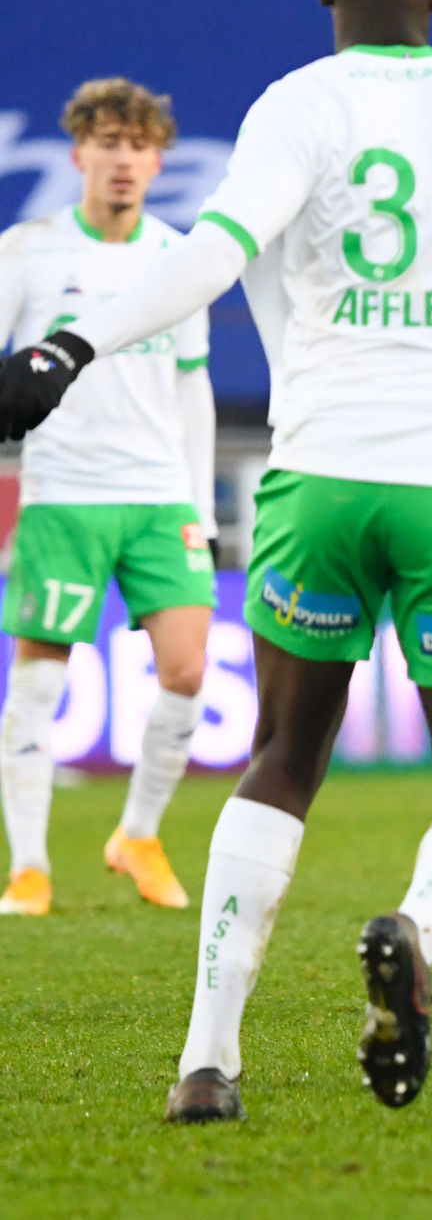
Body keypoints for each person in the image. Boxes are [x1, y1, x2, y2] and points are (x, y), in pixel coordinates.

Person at [0, 0, 432, 1121]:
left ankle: (206, 1064)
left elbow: (208, 261)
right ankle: (419, 934)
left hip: (317, 479)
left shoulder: (296, 105)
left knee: (279, 761)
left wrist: (66, 349)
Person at [0, 77, 216, 917]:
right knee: (40, 684)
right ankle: (29, 866)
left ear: (160, 159)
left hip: (161, 497)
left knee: (189, 669)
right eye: (108, 143)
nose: (123, 160)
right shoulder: (29, 249)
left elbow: (194, 386)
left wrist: (199, 502)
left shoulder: (180, 257)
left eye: (138, 145)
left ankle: (136, 833)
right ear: (78, 153)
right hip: (64, 493)